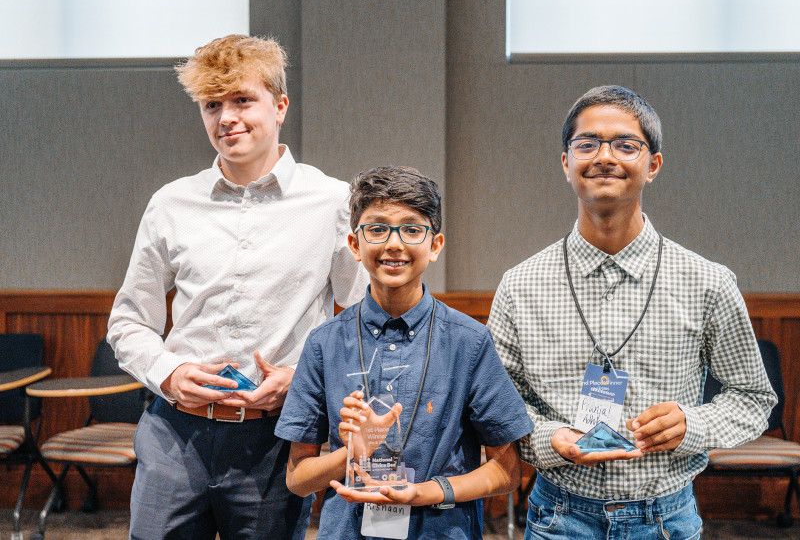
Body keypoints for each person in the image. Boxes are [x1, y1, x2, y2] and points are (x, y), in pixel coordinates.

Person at [107, 34, 369, 540]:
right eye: (212, 105)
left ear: (280, 105)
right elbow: (129, 321)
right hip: (174, 432)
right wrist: (170, 371)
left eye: (242, 100)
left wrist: (304, 378)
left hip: (274, 438)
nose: (226, 117)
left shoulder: (334, 201)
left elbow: (362, 321)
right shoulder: (171, 203)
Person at [487, 85, 777, 539]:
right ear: (566, 163)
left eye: (625, 144)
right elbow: (499, 410)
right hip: (559, 517)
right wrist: (550, 440)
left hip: (665, 519)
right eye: (587, 144)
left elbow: (753, 399)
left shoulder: (707, 281)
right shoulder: (520, 285)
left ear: (653, 165)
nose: (605, 156)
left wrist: (692, 423)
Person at [275, 166, 535, 539]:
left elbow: (507, 470)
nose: (394, 244)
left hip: (442, 530)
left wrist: (427, 492)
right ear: (354, 245)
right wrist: (351, 449)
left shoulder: (469, 342)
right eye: (377, 228)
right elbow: (298, 479)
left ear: (435, 245)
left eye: (412, 229)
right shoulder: (324, 343)